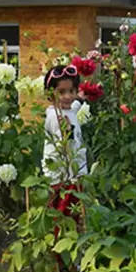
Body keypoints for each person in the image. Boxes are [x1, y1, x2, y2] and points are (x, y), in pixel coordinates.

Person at [42, 64, 87, 245]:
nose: (67, 96)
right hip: (63, 177)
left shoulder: (67, 109)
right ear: (50, 94)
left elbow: (73, 108)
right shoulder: (55, 116)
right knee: (63, 216)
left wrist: (81, 99)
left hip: (73, 174)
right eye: (61, 92)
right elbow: (65, 143)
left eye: (72, 91)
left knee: (74, 215)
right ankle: (61, 257)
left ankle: (69, 251)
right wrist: (67, 129)